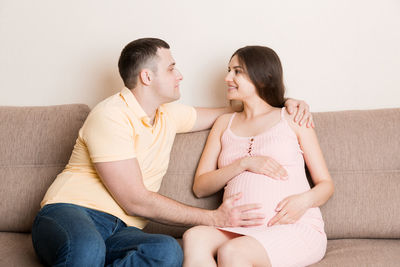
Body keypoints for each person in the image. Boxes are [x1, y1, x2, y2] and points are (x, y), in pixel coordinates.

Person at [31, 38, 314, 267]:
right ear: (146, 76)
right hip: (71, 212)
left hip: (120, 230)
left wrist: (285, 101)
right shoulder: (110, 115)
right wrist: (212, 218)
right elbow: (135, 201)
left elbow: (240, 109)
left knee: (166, 251)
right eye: (171, 68)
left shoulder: (168, 115)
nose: (179, 75)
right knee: (88, 247)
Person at [183, 45, 334, 267]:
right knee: (195, 236)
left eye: (237, 71)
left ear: (262, 78)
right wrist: (244, 164)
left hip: (292, 227)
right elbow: (200, 187)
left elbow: (326, 184)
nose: (227, 78)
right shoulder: (224, 123)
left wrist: (304, 201)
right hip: (240, 230)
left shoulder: (292, 118)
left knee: (233, 252)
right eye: (229, 70)